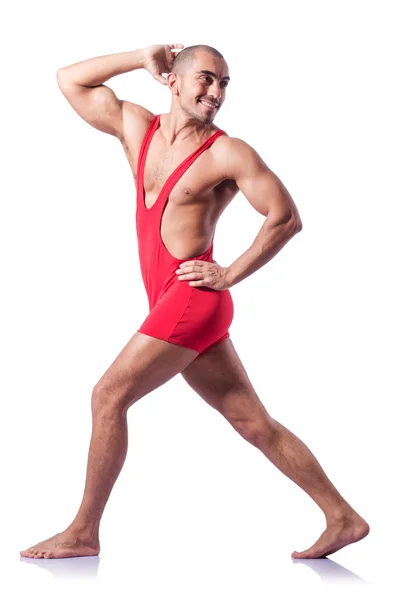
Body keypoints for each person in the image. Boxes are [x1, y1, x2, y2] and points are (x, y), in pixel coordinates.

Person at [20, 43, 369, 560]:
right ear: (173, 82)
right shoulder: (137, 128)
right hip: (168, 299)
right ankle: (343, 517)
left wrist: (229, 274)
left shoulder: (228, 152)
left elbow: (285, 218)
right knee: (253, 421)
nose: (217, 92)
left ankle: (83, 531)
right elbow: (69, 79)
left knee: (107, 396)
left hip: (192, 300)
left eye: (225, 83)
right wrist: (141, 56)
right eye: (207, 79)